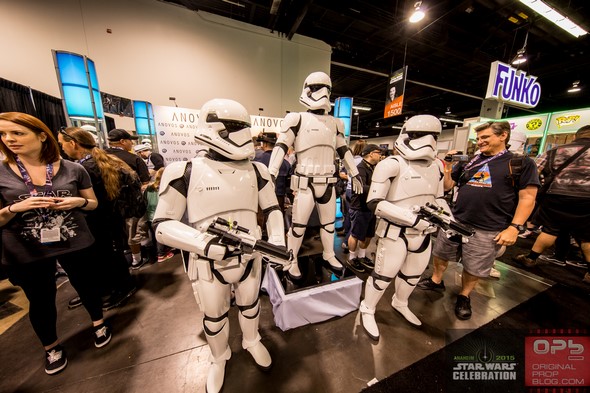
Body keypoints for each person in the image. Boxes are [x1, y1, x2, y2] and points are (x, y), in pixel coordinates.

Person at [153, 99, 287, 393]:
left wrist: (277, 241)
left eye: (244, 127)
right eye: (236, 128)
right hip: (207, 259)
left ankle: (251, 340)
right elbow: (162, 225)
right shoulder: (184, 171)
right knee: (214, 316)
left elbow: (274, 209)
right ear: (215, 128)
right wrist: (204, 243)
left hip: (250, 254)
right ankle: (219, 356)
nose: (243, 135)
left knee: (251, 306)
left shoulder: (258, 171)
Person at [0, 112, 112, 376]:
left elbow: (93, 203)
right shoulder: (2, 173)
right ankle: (51, 346)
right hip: (27, 249)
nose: (9, 139)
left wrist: (78, 202)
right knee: (40, 300)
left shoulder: (74, 168)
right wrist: (17, 207)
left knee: (87, 286)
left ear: (41, 135)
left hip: (74, 240)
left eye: (18, 133)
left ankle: (99, 324)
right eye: (4, 134)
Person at [417, 121, 540, 320]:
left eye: (485, 137)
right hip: (455, 219)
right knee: (441, 254)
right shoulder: (470, 162)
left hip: (488, 226)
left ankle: (464, 295)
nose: (480, 142)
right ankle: (436, 280)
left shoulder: (521, 164)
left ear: (503, 136)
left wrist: (514, 228)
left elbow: (528, 198)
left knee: (474, 266)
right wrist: (448, 166)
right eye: (478, 138)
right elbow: (448, 186)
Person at [358, 116, 452, 340]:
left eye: (434, 136)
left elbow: (438, 197)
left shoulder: (436, 167)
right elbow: (375, 203)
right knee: (382, 276)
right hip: (395, 232)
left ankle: (400, 302)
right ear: (407, 135)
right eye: (420, 135)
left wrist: (449, 219)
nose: (428, 141)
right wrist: (411, 219)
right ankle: (367, 308)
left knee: (413, 276)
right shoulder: (391, 164)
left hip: (424, 234)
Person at [267, 71, 362, 279]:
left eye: (327, 89)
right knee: (298, 226)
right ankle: (291, 259)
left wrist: (354, 172)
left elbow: (343, 149)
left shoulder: (336, 123)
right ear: (307, 90)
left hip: (328, 182)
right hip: (305, 183)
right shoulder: (296, 119)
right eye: (318, 88)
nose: (323, 93)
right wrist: (271, 172)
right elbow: (281, 145)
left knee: (328, 225)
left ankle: (329, 254)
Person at [57, 126, 137, 310]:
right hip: (109, 219)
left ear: (73, 143)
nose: (62, 148)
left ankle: (123, 287)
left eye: (62, 144)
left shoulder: (86, 167)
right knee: (107, 256)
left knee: (109, 256)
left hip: (101, 220)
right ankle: (105, 289)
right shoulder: (97, 161)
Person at [514, 125, 590, 284]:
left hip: (557, 196)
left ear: (576, 136)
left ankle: (531, 258)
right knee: (587, 236)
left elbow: (535, 171)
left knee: (551, 229)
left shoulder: (555, 151)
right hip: (587, 200)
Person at [105, 129, 150, 269]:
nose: (132, 143)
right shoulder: (133, 159)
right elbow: (145, 182)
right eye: (130, 140)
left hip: (107, 204)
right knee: (133, 231)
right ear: (123, 141)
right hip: (130, 203)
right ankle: (137, 260)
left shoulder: (100, 157)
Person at [347, 144, 383, 273]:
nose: (380, 155)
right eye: (378, 153)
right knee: (356, 234)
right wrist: (379, 191)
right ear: (371, 154)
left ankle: (361, 256)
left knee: (368, 235)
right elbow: (361, 187)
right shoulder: (360, 168)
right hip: (359, 207)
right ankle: (352, 258)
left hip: (370, 208)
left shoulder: (373, 168)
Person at [143, 167, 174, 263]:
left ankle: (161, 252)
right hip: (160, 215)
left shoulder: (149, 187)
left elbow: (145, 201)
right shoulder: (165, 188)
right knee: (160, 237)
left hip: (150, 216)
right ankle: (161, 255)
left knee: (154, 235)